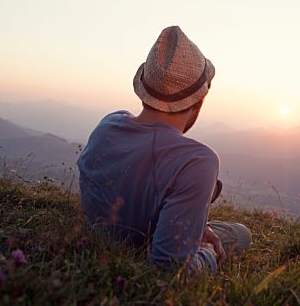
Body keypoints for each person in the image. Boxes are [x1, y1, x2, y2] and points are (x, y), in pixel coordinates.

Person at [77, 26, 251, 272]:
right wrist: (207, 254)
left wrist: (198, 227)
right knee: (241, 234)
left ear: (144, 92)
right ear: (199, 101)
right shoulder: (197, 160)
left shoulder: (109, 124)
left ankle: (194, 219)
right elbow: (170, 267)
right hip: (146, 243)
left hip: (104, 233)